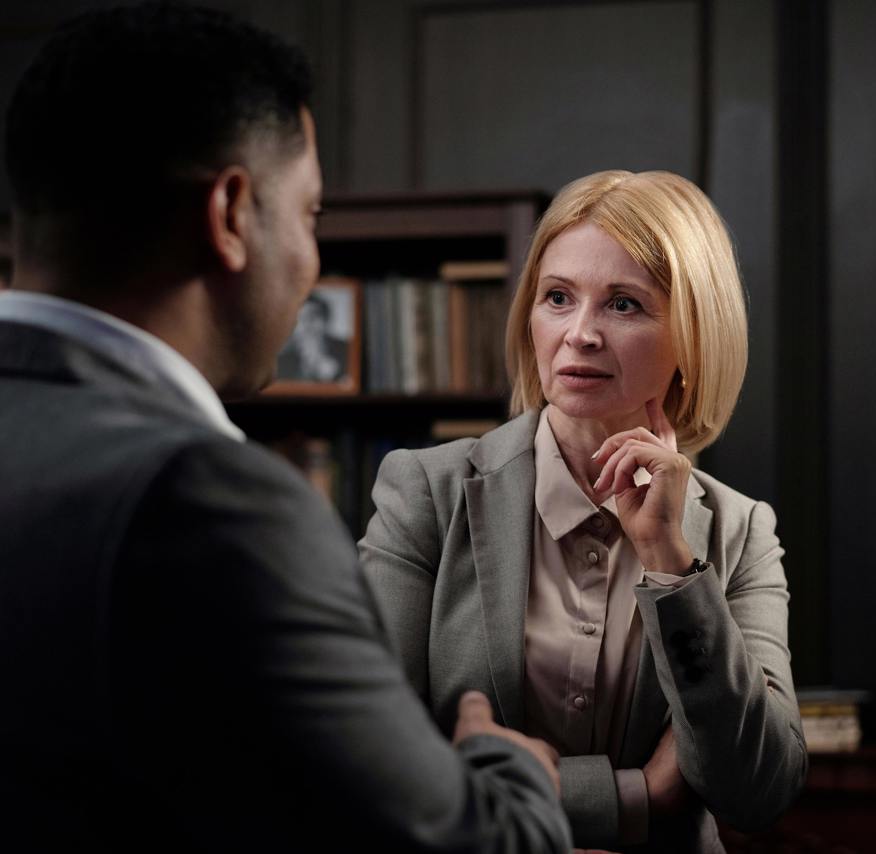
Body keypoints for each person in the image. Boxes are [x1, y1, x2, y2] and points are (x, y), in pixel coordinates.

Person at [0, 4, 570, 851]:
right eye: (310, 216)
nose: (313, 267)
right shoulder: (211, 507)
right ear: (231, 213)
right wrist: (512, 769)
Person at [360, 169, 807, 852]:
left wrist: (670, 561)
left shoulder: (741, 531)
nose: (580, 334)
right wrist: (641, 795)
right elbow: (366, 758)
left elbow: (759, 791)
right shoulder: (426, 493)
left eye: (623, 304)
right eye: (558, 297)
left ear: (694, 337)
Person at [277, 292, 350, 382]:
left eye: (312, 317)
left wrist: (335, 375)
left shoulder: (348, 349)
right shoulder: (283, 356)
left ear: (326, 320)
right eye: (300, 319)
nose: (306, 325)